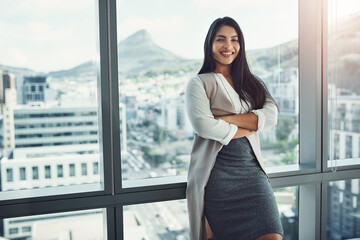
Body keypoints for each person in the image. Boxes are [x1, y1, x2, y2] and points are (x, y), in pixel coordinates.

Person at [185, 16, 284, 240]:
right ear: (210, 44)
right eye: (221, 39)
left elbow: (272, 117)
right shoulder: (199, 83)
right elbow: (204, 126)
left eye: (234, 39)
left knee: (273, 236)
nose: (228, 46)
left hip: (253, 176)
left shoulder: (253, 82)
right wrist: (250, 124)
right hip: (218, 179)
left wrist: (228, 119)